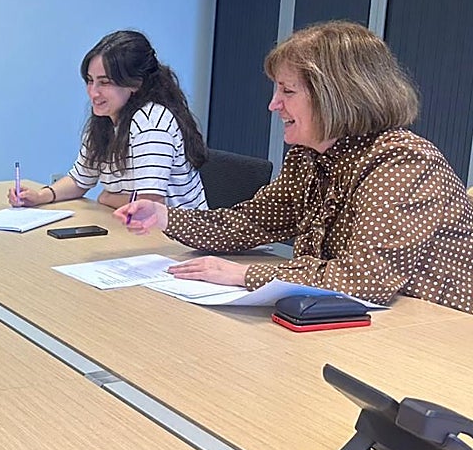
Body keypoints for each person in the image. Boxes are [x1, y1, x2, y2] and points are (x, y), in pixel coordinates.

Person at [117, 21, 473, 312]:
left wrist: (245, 275)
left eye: (287, 91)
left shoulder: (403, 163)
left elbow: (364, 279)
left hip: (436, 330)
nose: (273, 105)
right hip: (361, 319)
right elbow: (252, 222)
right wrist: (164, 216)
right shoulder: (310, 156)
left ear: (338, 97)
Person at [8, 30, 207, 211]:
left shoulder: (151, 123)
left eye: (104, 82)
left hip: (175, 236)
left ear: (135, 84)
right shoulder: (106, 118)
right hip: (135, 227)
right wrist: (40, 196)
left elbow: (150, 205)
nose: (93, 92)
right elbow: (80, 179)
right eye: (90, 80)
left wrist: (107, 197)